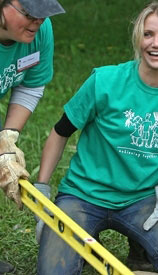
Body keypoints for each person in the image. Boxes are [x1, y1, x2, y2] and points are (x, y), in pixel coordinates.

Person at [35, 1, 158, 274]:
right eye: (148, 34)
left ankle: (140, 250)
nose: (156, 43)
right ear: (138, 38)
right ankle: (84, 237)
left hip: (141, 200)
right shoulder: (104, 81)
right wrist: (42, 189)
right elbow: (60, 132)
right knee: (53, 272)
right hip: (83, 195)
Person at [0, 0, 65, 273]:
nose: (38, 21)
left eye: (44, 13)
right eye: (29, 13)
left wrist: (8, 137)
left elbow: (31, 84)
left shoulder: (40, 31)